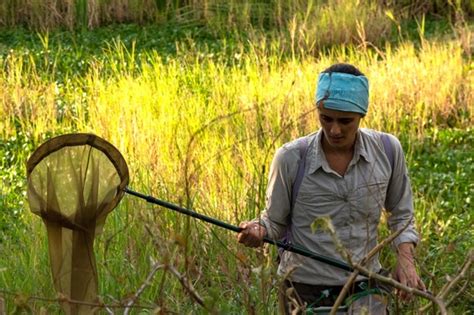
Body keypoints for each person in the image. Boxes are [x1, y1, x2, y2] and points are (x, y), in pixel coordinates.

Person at [237, 63, 425, 314]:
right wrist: (257, 231)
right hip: (304, 288)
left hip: (366, 284)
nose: (334, 130)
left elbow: (402, 215)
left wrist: (406, 261)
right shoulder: (291, 158)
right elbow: (273, 222)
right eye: (326, 118)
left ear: (361, 115)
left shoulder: (388, 151)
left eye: (345, 121)